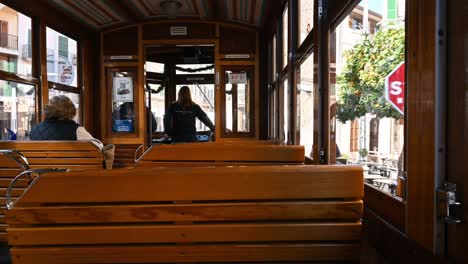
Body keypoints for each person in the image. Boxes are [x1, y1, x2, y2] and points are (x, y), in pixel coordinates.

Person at [30, 95, 103, 149]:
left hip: (38, 169)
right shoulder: (76, 130)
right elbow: (99, 147)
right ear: (71, 110)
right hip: (68, 169)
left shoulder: (35, 130)